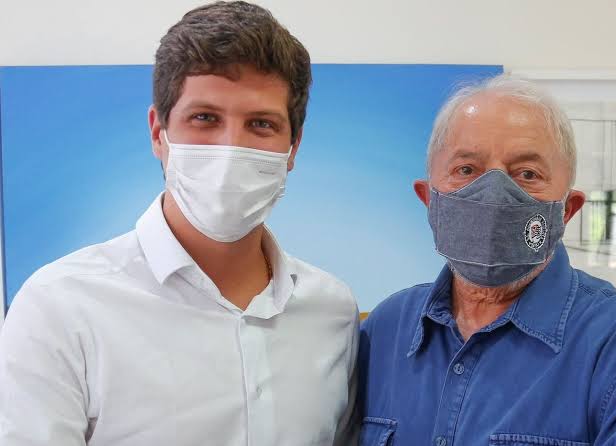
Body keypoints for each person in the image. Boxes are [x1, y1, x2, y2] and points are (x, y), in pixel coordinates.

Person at [0, 2, 359, 445]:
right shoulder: (60, 307)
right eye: (204, 118)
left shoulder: (333, 311)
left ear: (293, 147)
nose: (230, 148)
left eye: (261, 124)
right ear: (158, 133)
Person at [357, 74, 616, 445]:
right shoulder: (384, 332)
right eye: (466, 170)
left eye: (527, 174)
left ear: (567, 209)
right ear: (429, 199)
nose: (495, 193)